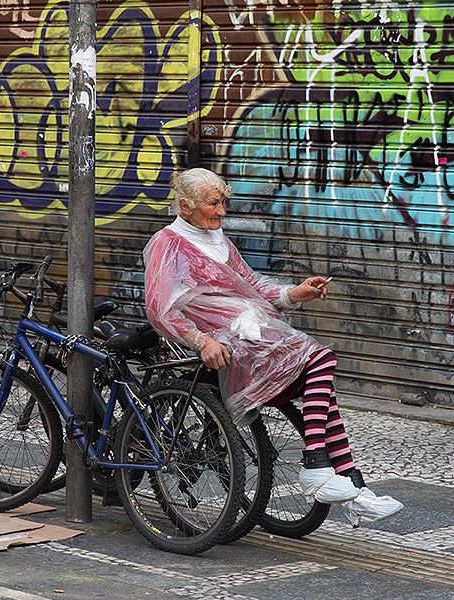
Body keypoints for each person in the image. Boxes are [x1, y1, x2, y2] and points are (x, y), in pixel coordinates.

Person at [143, 167, 403, 528]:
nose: (222, 211)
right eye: (213, 203)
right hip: (225, 343)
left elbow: (250, 286)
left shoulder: (218, 240)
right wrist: (201, 341)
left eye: (224, 202)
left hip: (252, 333)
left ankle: (353, 489)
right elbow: (159, 308)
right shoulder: (166, 244)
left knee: (321, 384)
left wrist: (295, 293)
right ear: (185, 206)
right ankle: (319, 467)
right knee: (321, 362)